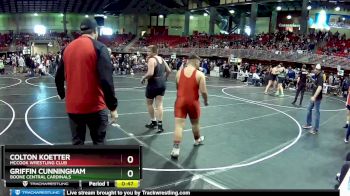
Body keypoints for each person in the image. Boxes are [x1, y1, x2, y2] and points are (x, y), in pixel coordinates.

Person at [55, 18, 118, 145]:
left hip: (74, 107)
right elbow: (106, 80)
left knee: (78, 143)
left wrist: (61, 93)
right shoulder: (99, 47)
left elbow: (58, 76)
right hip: (94, 106)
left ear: (81, 31)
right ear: (96, 31)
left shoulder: (67, 48)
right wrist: (113, 107)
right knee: (99, 142)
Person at [170, 55, 208, 159]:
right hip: (193, 103)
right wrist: (205, 100)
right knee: (195, 124)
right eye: (199, 63)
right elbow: (204, 91)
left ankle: (175, 149)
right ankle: (197, 140)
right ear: (195, 61)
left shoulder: (179, 73)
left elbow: (177, 87)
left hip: (180, 101)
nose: (199, 65)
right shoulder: (200, 74)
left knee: (179, 126)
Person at [140, 45, 171, 133]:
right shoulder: (161, 59)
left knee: (150, 104)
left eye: (148, 51)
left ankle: (153, 122)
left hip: (153, 83)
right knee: (159, 104)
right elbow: (168, 70)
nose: (147, 53)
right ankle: (160, 125)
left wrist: (143, 77)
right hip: (162, 83)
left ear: (153, 52)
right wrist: (165, 78)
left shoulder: (151, 59)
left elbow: (150, 73)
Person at [302, 64, 323, 134]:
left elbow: (320, 87)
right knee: (309, 109)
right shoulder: (316, 75)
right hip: (313, 96)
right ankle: (308, 124)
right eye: (315, 69)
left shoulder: (320, 76)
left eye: (316, 69)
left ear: (319, 70)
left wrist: (314, 97)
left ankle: (315, 129)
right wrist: (311, 79)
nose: (315, 70)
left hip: (317, 98)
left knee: (317, 113)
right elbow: (316, 83)